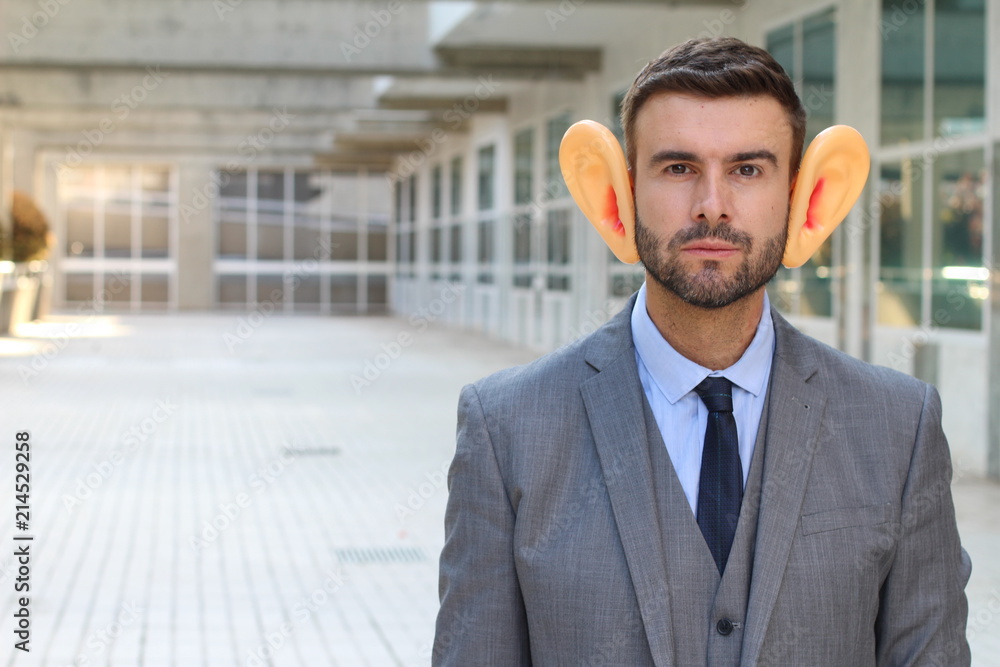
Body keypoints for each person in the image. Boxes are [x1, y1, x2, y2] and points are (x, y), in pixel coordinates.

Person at [433, 37, 971, 666]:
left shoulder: (898, 428)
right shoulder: (508, 431)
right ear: (620, 195)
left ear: (804, 199)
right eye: (678, 167)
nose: (712, 205)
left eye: (748, 169)